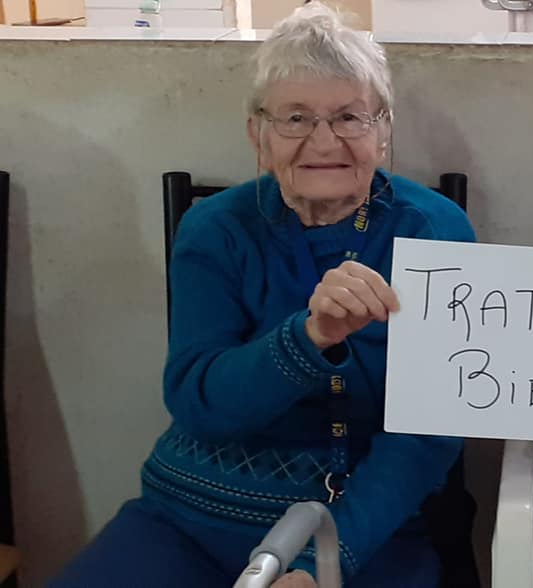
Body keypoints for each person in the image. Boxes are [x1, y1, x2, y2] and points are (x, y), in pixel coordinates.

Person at [49, 3, 476, 587]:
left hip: (366, 528)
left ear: (383, 132)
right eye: (296, 118)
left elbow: (427, 435)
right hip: (191, 520)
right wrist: (310, 337)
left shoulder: (433, 230)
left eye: (349, 117)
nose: (324, 141)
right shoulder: (216, 229)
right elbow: (199, 405)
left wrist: (321, 563)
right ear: (258, 134)